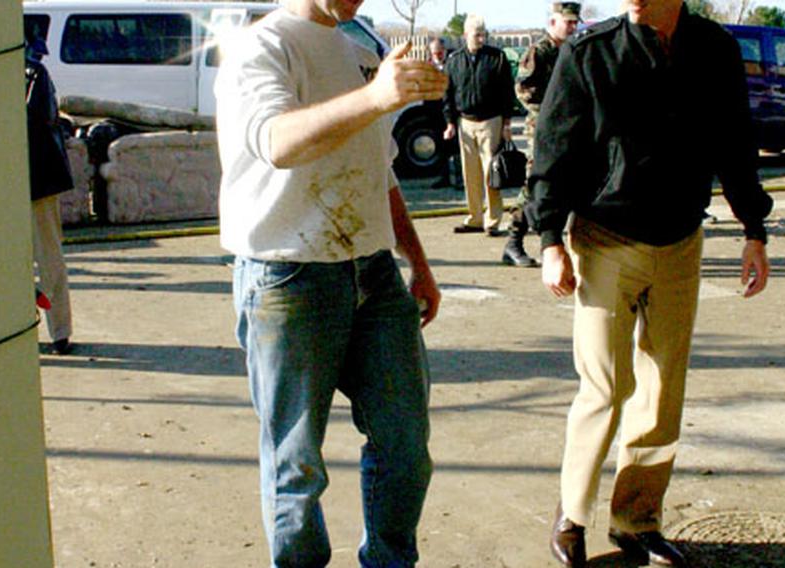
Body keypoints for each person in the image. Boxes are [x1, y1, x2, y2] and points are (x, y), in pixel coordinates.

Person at [529, 0, 773, 565]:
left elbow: (734, 141)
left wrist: (754, 229)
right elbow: (553, 148)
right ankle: (572, 514)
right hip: (605, 239)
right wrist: (547, 240)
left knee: (663, 391)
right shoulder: (588, 53)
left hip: (682, 243)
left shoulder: (715, 49)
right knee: (605, 386)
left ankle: (636, 521)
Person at [213, 0, 446, 565]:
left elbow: (379, 169)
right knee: (295, 466)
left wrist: (416, 259)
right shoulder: (259, 48)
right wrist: (375, 98)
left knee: (405, 448)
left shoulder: (358, 52)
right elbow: (277, 142)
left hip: (373, 271)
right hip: (286, 275)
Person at [501, 2, 580, 268]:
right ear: (552, 22)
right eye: (567, 22)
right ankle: (513, 241)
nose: (572, 27)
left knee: (569, 184)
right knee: (535, 185)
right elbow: (523, 90)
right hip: (543, 131)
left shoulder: (572, 51)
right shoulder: (540, 52)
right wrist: (551, 112)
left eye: (574, 22)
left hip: (569, 130)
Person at [443, 15, 516, 236]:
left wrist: (506, 123)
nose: (481, 39)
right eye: (477, 35)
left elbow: (507, 92)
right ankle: (474, 218)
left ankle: (492, 221)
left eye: (484, 34)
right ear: (466, 35)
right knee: (470, 174)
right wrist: (449, 122)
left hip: (491, 122)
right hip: (465, 123)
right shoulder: (454, 61)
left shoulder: (497, 58)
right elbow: (448, 93)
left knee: (490, 173)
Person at [25, 38, 75, 355]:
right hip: (20, 178)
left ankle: (60, 331)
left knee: (49, 257)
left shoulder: (33, 74)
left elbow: (36, 119)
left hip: (38, 177)